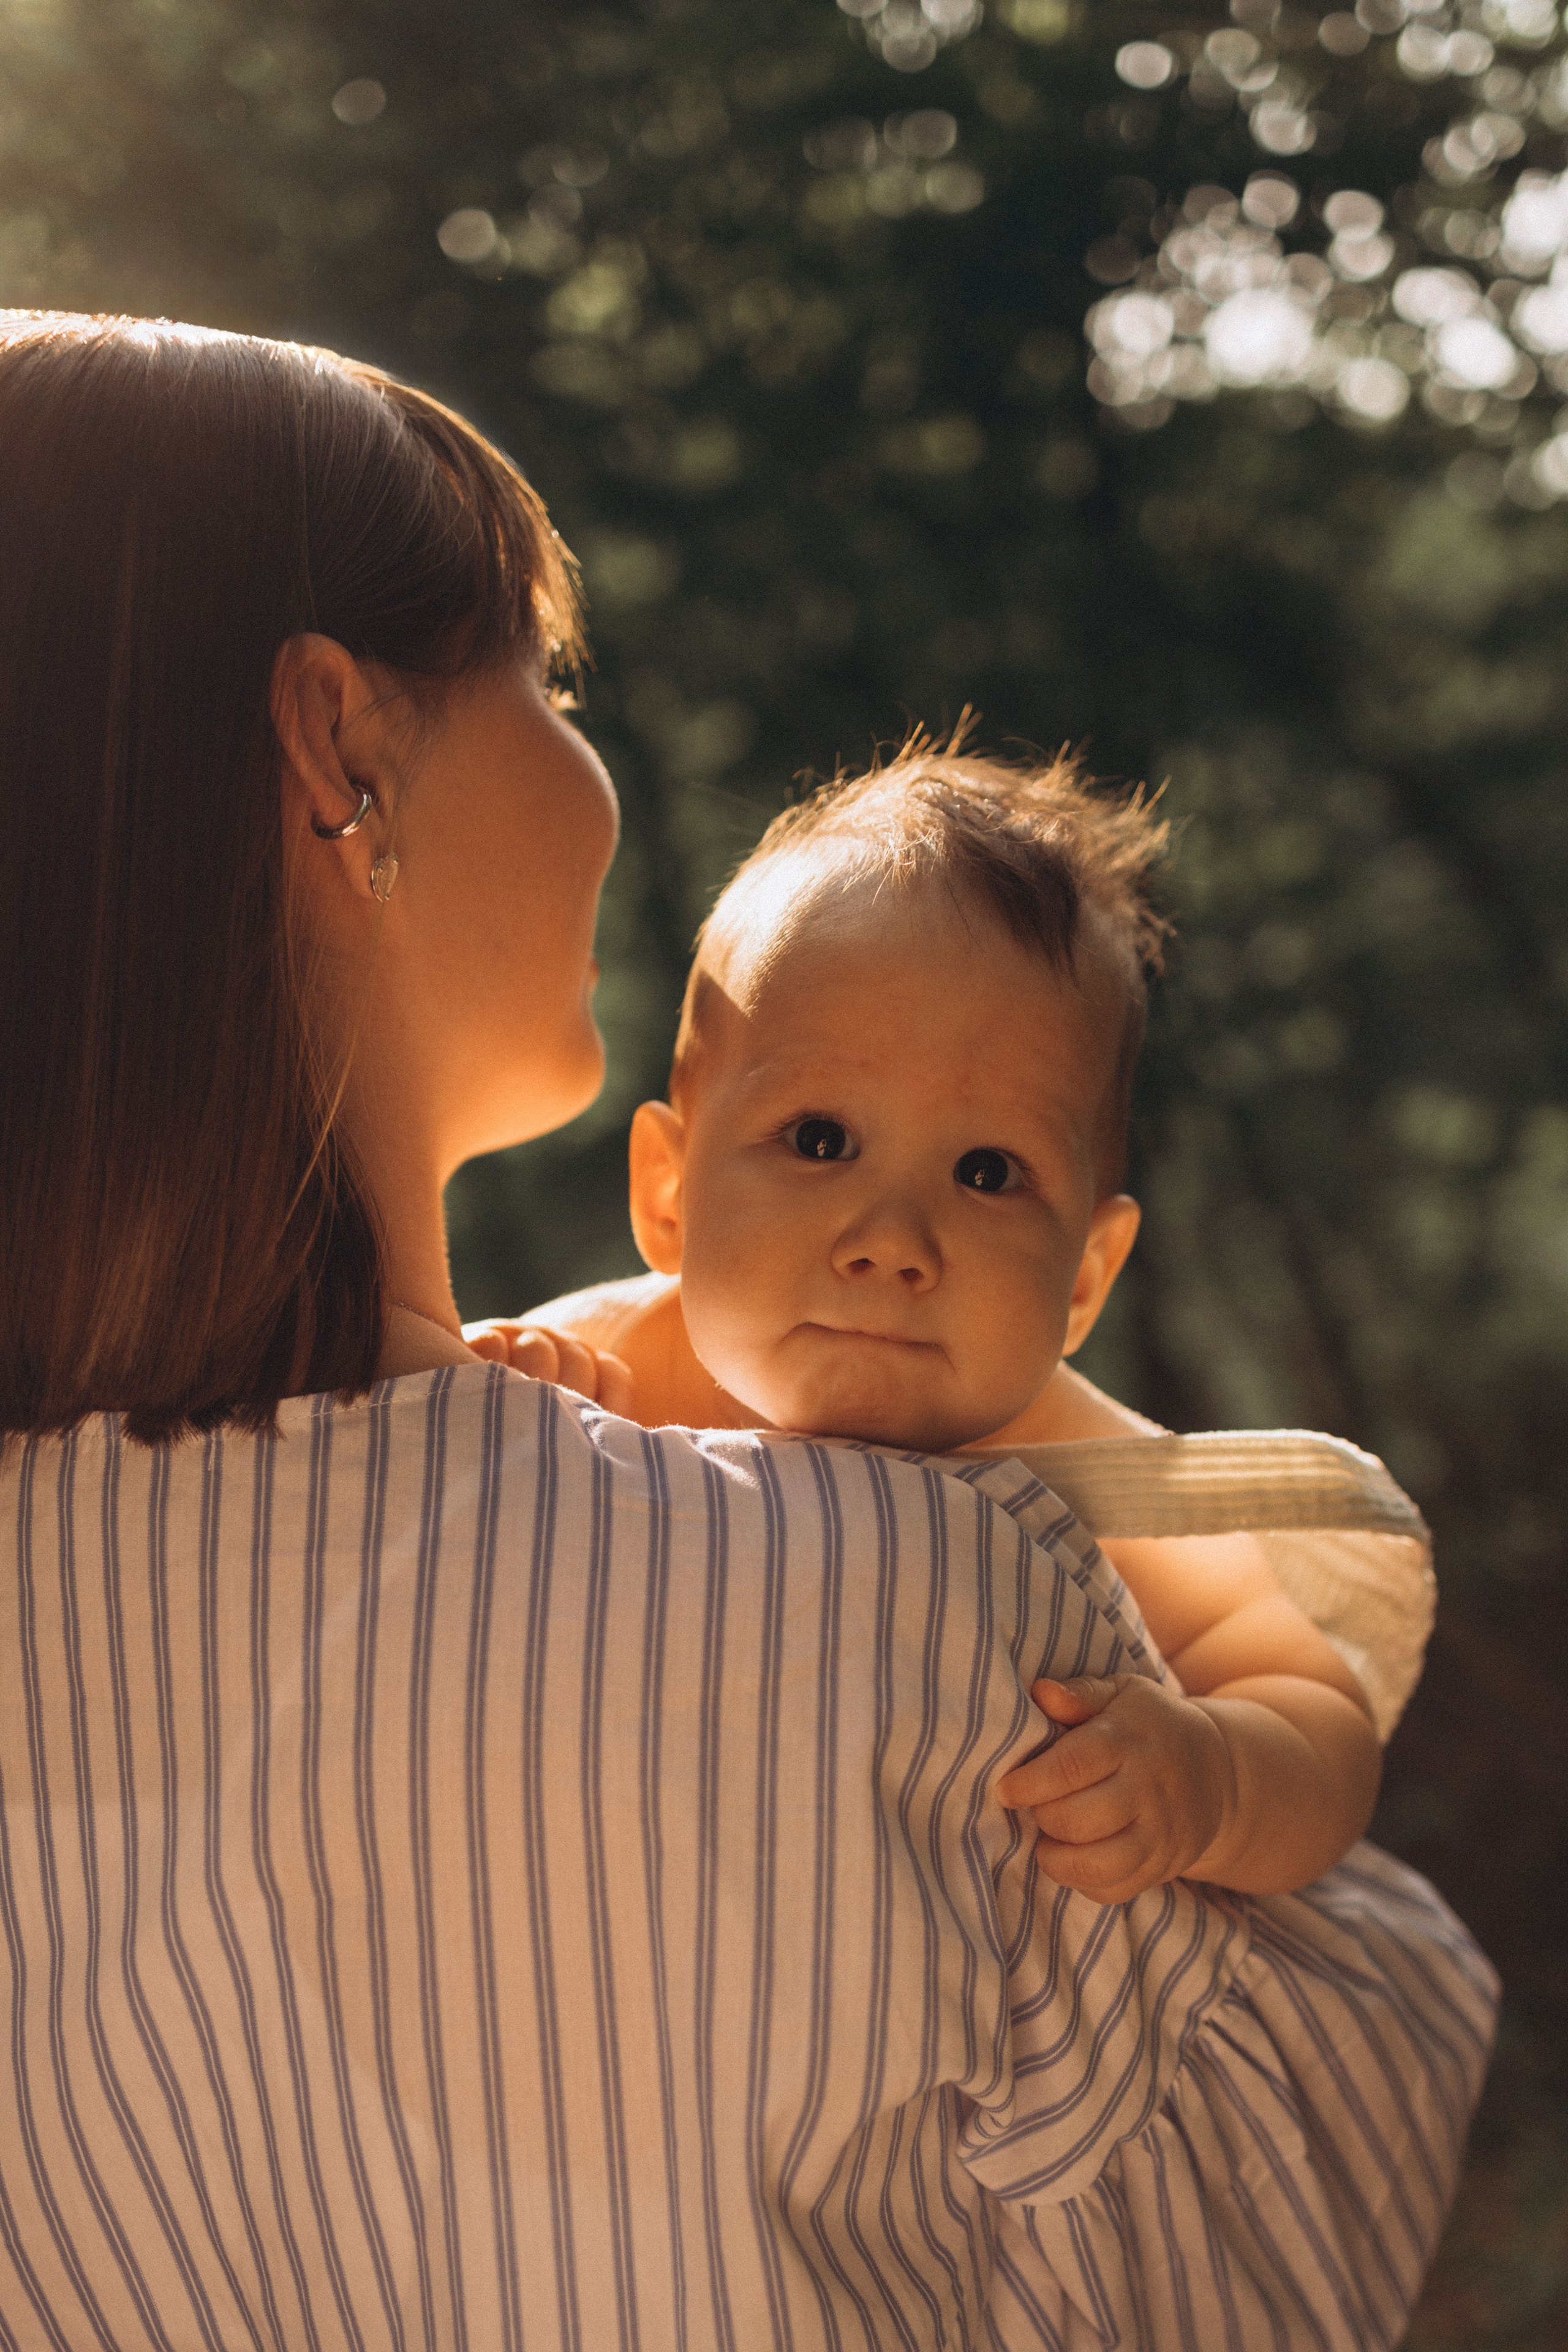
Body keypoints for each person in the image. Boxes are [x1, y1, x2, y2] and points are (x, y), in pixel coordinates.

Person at [0, 313, 1494, 2352]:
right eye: (548, 677)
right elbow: (1312, 2141)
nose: (593, 771)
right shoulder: (916, 1606)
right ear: (342, 752)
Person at [499, 747, 1381, 1903]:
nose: (893, 1240)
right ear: (671, 1196)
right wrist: (501, 1388)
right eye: (820, 1140)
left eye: (987, 1170)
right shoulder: (599, 1373)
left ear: (1083, 1278)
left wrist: (1210, 1777)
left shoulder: (1085, 1473)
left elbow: (1317, 1715)